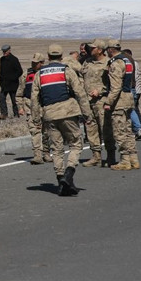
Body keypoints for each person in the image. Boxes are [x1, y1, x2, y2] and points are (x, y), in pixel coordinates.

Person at [30, 44, 91, 196]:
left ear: (48, 57)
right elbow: (80, 93)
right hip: (68, 111)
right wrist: (87, 114)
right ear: (61, 56)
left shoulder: (39, 74)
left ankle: (60, 179)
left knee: (56, 149)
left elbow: (34, 98)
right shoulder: (67, 70)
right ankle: (69, 174)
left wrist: (36, 118)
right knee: (76, 144)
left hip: (49, 114)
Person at [104, 40, 140, 171]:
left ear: (111, 49)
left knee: (120, 131)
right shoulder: (127, 60)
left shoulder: (116, 63)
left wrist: (108, 102)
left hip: (120, 101)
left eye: (107, 49)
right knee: (128, 131)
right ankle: (133, 158)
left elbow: (115, 86)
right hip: (128, 97)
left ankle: (125, 160)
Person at [81, 38, 113, 167]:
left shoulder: (108, 63)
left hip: (101, 101)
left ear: (100, 50)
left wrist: (100, 91)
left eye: (92, 48)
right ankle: (96, 156)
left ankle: (111, 156)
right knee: (91, 129)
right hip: (88, 102)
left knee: (106, 129)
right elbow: (81, 77)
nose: (89, 50)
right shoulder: (87, 62)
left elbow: (113, 83)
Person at [17, 53, 50, 164]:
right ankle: (37, 155)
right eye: (33, 62)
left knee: (46, 131)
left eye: (36, 63)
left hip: (45, 106)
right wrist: (20, 107)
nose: (34, 64)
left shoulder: (47, 73)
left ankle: (46, 152)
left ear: (42, 63)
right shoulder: (26, 74)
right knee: (35, 131)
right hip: (30, 107)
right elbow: (20, 93)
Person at [123, 49, 141, 139]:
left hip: (132, 89)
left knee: (131, 110)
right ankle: (140, 129)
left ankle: (138, 129)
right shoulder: (135, 63)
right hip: (136, 90)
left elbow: (134, 78)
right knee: (135, 110)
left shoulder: (131, 64)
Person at [0, 44, 23, 119]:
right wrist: (1, 81)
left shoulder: (14, 59)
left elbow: (20, 71)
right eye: (3, 51)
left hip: (13, 84)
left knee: (14, 100)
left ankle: (16, 115)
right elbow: (1, 72)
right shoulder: (1, 59)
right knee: (1, 98)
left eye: (5, 51)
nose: (4, 52)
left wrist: (12, 78)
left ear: (9, 50)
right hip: (4, 84)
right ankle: (4, 114)